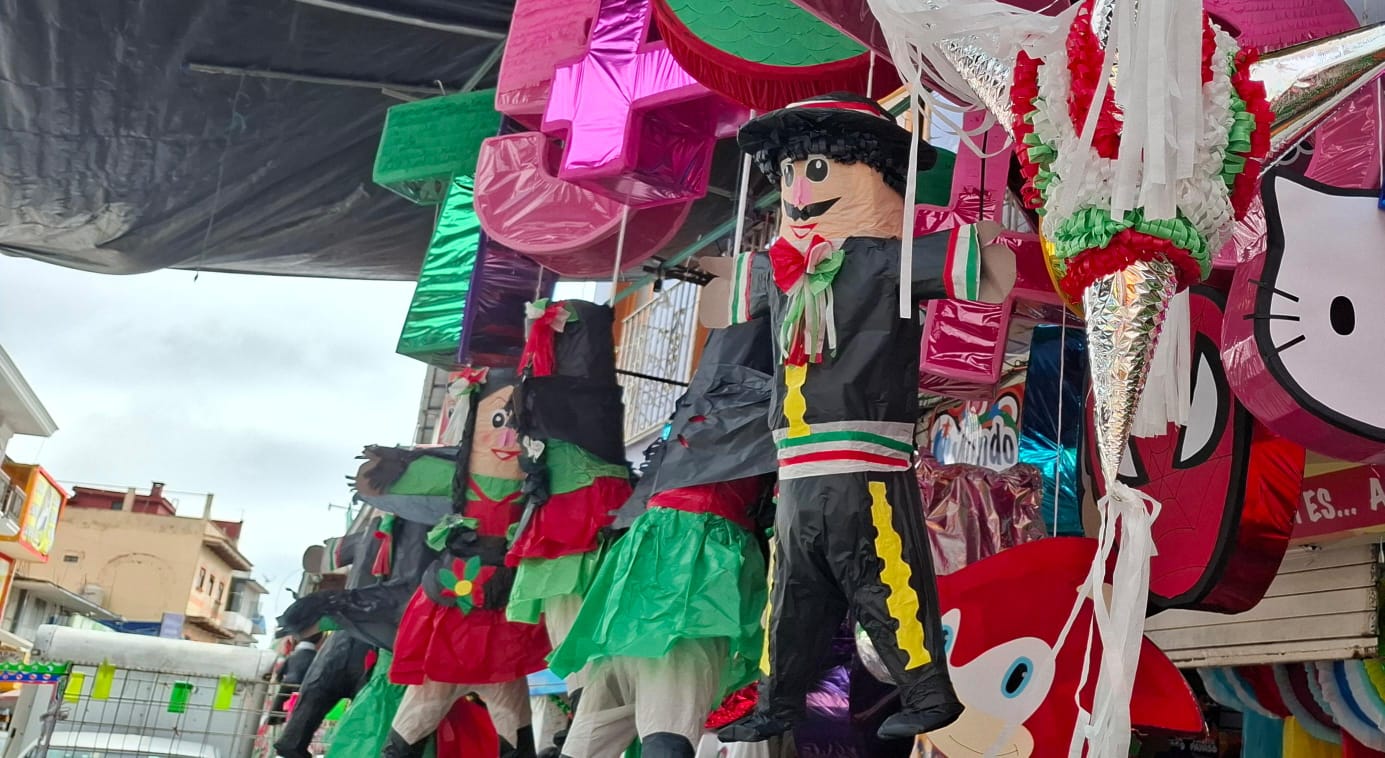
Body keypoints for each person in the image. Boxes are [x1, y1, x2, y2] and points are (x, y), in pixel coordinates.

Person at [701, 93, 1015, 742]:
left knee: (886, 579)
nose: (797, 191)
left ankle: (928, 692)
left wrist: (976, 238)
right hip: (795, 468)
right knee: (789, 595)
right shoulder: (780, 271)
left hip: (865, 458)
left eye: (816, 170)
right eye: (790, 173)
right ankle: (777, 701)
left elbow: (986, 266)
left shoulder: (883, 260)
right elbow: (720, 298)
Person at [549, 317, 779, 758]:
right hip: (694, 576)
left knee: (597, 727)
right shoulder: (746, 419)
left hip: (637, 583)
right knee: (668, 720)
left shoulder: (685, 430)